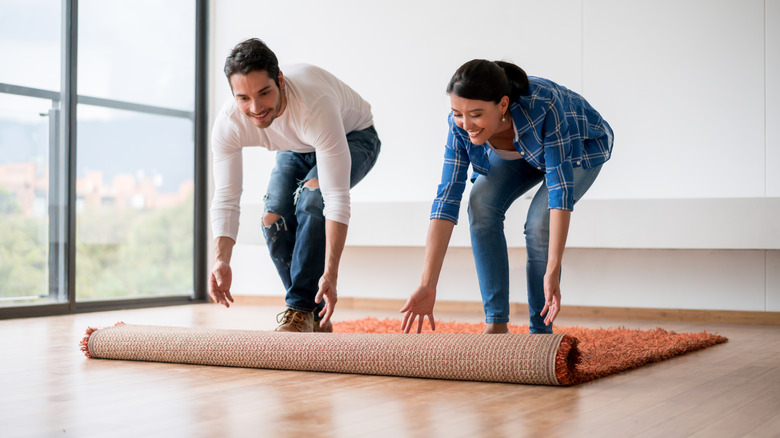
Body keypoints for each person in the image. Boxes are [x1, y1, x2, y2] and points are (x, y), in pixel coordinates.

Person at [401, 59, 613, 334]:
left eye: (476, 114)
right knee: (480, 204)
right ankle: (496, 324)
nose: (466, 124)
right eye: (457, 113)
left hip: (580, 146)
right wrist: (428, 283)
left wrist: (552, 268)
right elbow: (447, 198)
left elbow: (559, 190)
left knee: (538, 223)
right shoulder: (461, 125)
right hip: (525, 151)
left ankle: (540, 332)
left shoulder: (544, 106)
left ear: (502, 105)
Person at [209, 38, 381, 332]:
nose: (256, 107)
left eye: (264, 93)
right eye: (244, 98)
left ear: (280, 80)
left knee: (313, 197)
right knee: (272, 218)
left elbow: (335, 199)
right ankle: (313, 313)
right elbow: (226, 196)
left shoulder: (314, 105)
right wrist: (221, 260)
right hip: (295, 146)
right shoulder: (229, 123)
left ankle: (300, 309)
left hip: (355, 136)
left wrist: (330, 274)